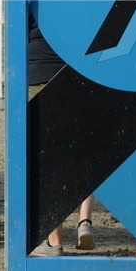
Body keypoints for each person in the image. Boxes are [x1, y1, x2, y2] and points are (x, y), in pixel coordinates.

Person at [28, 19, 97, 256]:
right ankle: (84, 221)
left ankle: (54, 241)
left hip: (39, 73)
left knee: (50, 162)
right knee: (84, 155)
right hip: (76, 74)